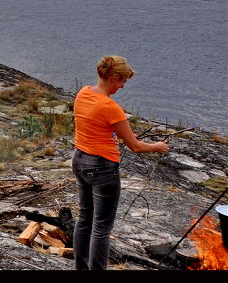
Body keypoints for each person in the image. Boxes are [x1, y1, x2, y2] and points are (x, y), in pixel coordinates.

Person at [72, 55, 169, 270]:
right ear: (114, 77)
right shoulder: (110, 107)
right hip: (102, 169)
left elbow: (93, 127)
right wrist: (157, 147)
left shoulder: (83, 93)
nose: (123, 86)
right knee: (101, 228)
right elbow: (135, 146)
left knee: (85, 218)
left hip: (79, 161)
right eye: (123, 81)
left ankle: (81, 268)